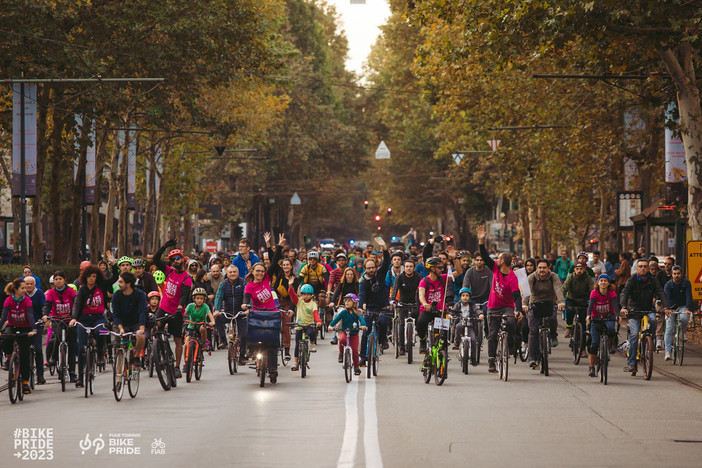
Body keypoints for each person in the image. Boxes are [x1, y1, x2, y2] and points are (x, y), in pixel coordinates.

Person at [477, 225, 522, 374]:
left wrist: (519, 310)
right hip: (493, 307)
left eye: (499, 258)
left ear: (503, 261)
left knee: (510, 323)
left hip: (507, 307)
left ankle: (510, 345)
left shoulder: (512, 277)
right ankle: (491, 360)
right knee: (492, 334)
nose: (497, 259)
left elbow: (516, 295)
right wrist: (481, 241)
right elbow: (484, 256)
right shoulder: (495, 268)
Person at [620, 259, 669, 375]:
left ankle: (649, 339)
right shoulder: (631, 280)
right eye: (640, 266)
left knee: (653, 320)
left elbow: (661, 292)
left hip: (648, 309)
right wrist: (623, 307)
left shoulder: (653, 280)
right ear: (637, 268)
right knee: (634, 335)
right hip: (634, 310)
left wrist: (666, 307)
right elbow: (625, 293)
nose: (643, 268)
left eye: (645, 266)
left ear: (648, 269)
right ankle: (632, 363)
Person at [153, 240, 193, 379]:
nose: (175, 261)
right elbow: (155, 259)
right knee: (155, 329)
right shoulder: (168, 271)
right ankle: (160, 354)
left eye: (177, 258)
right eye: (172, 260)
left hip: (176, 310)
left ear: (182, 259)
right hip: (163, 307)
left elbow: (184, 296)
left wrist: (180, 309)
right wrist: (164, 246)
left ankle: (176, 366)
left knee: (177, 340)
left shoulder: (187, 278)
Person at [70, 265, 112, 386]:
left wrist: (113, 265)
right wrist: (74, 319)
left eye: (94, 276)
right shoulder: (82, 290)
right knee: (81, 348)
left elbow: (112, 280)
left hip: (99, 318)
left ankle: (100, 353)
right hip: (83, 319)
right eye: (89, 276)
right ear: (85, 277)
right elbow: (77, 304)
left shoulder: (101, 287)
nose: (91, 279)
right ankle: (80, 377)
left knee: (100, 332)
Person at [523, 259, 565, 369]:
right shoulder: (531, 277)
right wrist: (524, 304)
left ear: (548, 268)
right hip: (535, 303)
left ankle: (553, 335)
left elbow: (558, 288)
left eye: (544, 268)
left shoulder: (553, 276)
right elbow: (527, 292)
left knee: (552, 319)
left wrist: (561, 302)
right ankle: (532, 357)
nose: (542, 270)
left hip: (550, 303)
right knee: (533, 330)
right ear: (537, 268)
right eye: (540, 267)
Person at [242, 262, 279, 380]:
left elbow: (274, 262)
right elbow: (246, 297)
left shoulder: (266, 280)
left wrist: (279, 246)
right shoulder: (249, 286)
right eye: (257, 271)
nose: (260, 273)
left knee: (272, 343)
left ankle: (273, 369)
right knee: (249, 331)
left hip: (272, 314)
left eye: (262, 271)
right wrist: (245, 304)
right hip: (257, 314)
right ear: (252, 271)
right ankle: (251, 350)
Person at [1, 278, 39, 394]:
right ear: (16, 289)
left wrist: (33, 329)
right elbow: (3, 316)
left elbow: (30, 315)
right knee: (6, 337)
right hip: (13, 326)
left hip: (25, 327)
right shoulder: (8, 300)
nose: (25, 290)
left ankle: (25, 382)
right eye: (22, 288)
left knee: (24, 356)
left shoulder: (27, 300)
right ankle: (8, 359)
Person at [358, 236, 391, 366]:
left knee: (383, 323)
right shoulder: (363, 281)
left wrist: (384, 247)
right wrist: (361, 307)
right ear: (365, 269)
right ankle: (362, 357)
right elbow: (361, 295)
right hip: (369, 309)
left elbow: (387, 261)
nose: (371, 270)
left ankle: (382, 341)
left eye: (373, 267)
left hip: (383, 308)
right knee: (365, 332)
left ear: (376, 267)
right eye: (368, 268)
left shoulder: (381, 274)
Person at [42, 270, 78, 382]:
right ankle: (54, 357)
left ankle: (72, 372)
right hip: (57, 319)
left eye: (60, 279)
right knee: (57, 337)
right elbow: (47, 305)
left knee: (71, 345)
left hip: (69, 320)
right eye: (56, 279)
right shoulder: (51, 293)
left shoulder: (71, 291)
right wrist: (45, 315)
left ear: (64, 280)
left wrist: (74, 316)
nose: (58, 281)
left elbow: (76, 303)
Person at [111, 271, 147, 366]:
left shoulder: (140, 294)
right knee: (118, 348)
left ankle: (136, 356)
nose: (118, 284)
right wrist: (121, 329)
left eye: (121, 282)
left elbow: (142, 312)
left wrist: (141, 329)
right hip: (121, 323)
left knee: (141, 336)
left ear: (128, 284)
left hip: (135, 322)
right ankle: (119, 378)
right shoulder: (116, 295)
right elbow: (115, 314)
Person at [586, 274, 619, 377]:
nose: (603, 282)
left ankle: (611, 342)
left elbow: (615, 304)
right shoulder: (594, 292)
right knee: (594, 343)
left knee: (611, 329)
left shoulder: (611, 292)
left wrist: (618, 315)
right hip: (596, 318)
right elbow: (590, 305)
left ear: (608, 283)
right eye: (601, 281)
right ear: (598, 282)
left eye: (605, 281)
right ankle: (592, 367)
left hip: (609, 316)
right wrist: (588, 316)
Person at [416, 256, 450, 353]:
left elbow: (458, 272)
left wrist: (455, 258)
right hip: (428, 309)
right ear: (432, 268)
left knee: (443, 332)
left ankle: (442, 347)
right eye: (439, 267)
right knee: (420, 322)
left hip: (441, 310)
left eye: (442, 267)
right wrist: (425, 304)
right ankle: (423, 341)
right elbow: (421, 295)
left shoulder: (443, 279)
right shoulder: (424, 281)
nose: (442, 269)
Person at [329, 293, 367, 375]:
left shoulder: (357, 312)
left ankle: (356, 367)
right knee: (342, 340)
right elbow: (336, 319)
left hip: (354, 333)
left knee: (355, 351)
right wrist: (330, 325)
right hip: (345, 332)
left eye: (349, 301)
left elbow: (361, 319)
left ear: (354, 303)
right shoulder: (343, 312)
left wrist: (363, 325)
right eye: (345, 301)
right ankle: (341, 353)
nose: (347, 303)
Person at [390, 258, 421, 355]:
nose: (409, 268)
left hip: (415, 304)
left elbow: (423, 290)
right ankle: (402, 347)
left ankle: (422, 342)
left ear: (414, 268)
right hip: (403, 304)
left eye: (411, 267)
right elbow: (395, 289)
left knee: (420, 322)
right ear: (404, 268)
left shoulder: (419, 277)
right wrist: (393, 300)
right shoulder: (399, 277)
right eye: (407, 266)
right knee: (402, 324)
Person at [214, 265, 247, 356]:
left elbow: (246, 296)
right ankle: (223, 340)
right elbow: (218, 297)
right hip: (227, 312)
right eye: (230, 272)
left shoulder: (243, 282)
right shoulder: (223, 284)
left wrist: (247, 307)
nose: (232, 274)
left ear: (238, 273)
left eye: (234, 272)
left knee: (244, 335)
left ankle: (242, 356)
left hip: (240, 313)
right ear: (227, 274)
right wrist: (217, 309)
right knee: (218, 320)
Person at [288, 284, 322, 370]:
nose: (305, 296)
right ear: (301, 294)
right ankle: (295, 363)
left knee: (311, 332)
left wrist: (318, 321)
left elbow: (315, 313)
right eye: (304, 294)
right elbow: (292, 295)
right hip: (299, 325)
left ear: (311, 295)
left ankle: (312, 343)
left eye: (308, 294)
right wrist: (291, 287)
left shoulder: (313, 304)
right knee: (296, 344)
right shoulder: (299, 301)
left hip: (309, 324)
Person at [663, 266, 692, 361]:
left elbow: (688, 296)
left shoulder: (686, 283)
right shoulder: (668, 285)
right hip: (671, 307)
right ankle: (667, 352)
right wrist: (668, 308)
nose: (677, 276)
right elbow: (667, 298)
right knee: (669, 328)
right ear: (671, 274)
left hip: (682, 306)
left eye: (678, 273)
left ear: (682, 274)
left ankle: (683, 332)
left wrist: (687, 308)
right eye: (674, 274)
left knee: (684, 318)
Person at [23, 276, 46, 384]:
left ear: (34, 284)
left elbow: (43, 306)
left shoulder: (39, 293)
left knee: (38, 349)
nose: (28, 286)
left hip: (37, 323)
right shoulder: (21, 294)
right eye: (26, 284)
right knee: (24, 350)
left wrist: (44, 317)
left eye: (31, 284)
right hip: (25, 324)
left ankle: (40, 375)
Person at [561, 262, 594, 339]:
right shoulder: (571, 277)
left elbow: (592, 290)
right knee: (569, 312)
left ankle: (582, 346)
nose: (579, 270)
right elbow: (564, 288)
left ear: (584, 270)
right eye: (577, 269)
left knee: (583, 321)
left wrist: (593, 300)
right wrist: (560, 300)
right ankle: (569, 328)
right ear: (574, 270)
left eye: (581, 269)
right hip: (571, 299)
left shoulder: (587, 278)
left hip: (583, 301)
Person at [184, 288, 215, 364]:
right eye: (197, 298)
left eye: (201, 298)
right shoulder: (190, 306)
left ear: (204, 299)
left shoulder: (205, 306)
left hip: (201, 325)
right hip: (192, 327)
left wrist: (212, 322)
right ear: (194, 299)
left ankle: (204, 342)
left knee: (202, 328)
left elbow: (210, 315)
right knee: (186, 344)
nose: (199, 300)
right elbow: (184, 314)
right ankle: (186, 362)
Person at [449, 287, 483, 359]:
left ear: (470, 297)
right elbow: (453, 311)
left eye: (467, 296)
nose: (465, 297)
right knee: (458, 326)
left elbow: (476, 310)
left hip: (470, 325)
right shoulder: (458, 305)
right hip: (461, 323)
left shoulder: (472, 305)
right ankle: (457, 342)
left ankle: (473, 357)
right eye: (463, 296)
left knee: (473, 339)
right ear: (460, 297)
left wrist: (480, 314)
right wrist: (451, 315)